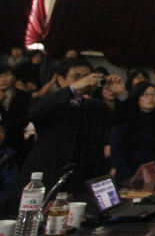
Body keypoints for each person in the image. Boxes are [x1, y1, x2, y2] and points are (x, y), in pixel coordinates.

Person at [19, 57, 123, 194]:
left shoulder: (95, 106)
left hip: (83, 177)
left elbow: (122, 120)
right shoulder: (47, 102)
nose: (84, 81)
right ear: (60, 79)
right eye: (76, 76)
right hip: (50, 173)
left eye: (86, 76)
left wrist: (122, 94)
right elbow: (33, 113)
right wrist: (72, 89)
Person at [109, 82, 155, 181]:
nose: (151, 98)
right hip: (127, 176)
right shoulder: (124, 122)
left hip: (154, 175)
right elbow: (116, 153)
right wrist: (130, 176)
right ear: (137, 97)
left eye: (154, 94)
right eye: (146, 94)